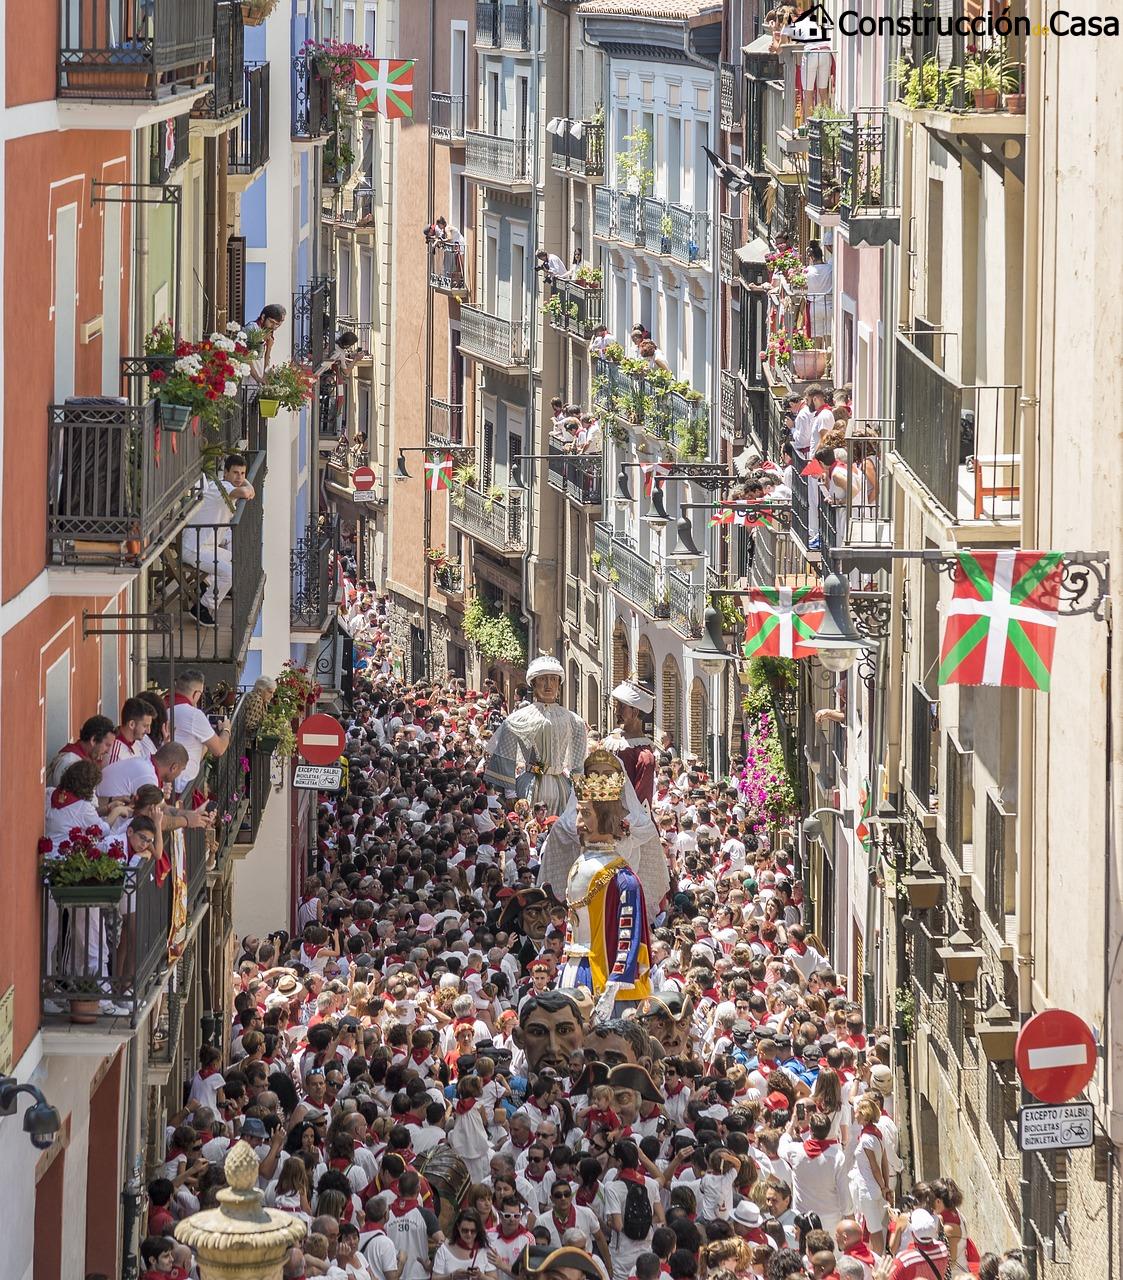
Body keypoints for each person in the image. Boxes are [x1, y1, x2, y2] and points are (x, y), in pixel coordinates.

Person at [484, 656, 588, 816]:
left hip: (562, 788)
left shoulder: (574, 720)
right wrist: (511, 793)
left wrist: (579, 792)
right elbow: (506, 755)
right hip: (529, 786)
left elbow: (578, 762)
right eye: (542, 679)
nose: (548, 685)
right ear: (533, 683)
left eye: (553, 679)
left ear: (559, 685)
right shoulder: (518, 718)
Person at [182, 452, 257, 626]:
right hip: (195, 548)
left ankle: (205, 585)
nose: (239, 477)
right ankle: (202, 608)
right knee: (230, 573)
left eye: (243, 473)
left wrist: (245, 483)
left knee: (232, 559)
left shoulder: (223, 487)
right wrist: (246, 483)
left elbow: (247, 492)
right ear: (226, 473)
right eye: (236, 473)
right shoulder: (222, 489)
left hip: (205, 546)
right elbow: (246, 492)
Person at [169, 669, 231, 793]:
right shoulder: (193, 715)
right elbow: (219, 749)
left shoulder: (166, 706)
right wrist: (226, 729)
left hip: (167, 783)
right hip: (183, 786)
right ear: (196, 694)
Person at [246, 302, 287, 380]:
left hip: (256, 381)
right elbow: (247, 356)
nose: (274, 327)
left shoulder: (268, 332)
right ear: (263, 317)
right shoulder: (252, 329)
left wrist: (269, 348)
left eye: (277, 324)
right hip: (248, 379)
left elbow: (264, 358)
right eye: (271, 322)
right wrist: (257, 378)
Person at [805, 242, 833, 348]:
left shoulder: (808, 271)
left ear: (811, 257)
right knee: (829, 336)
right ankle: (828, 362)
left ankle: (817, 362)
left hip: (814, 307)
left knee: (816, 338)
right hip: (829, 305)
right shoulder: (830, 268)